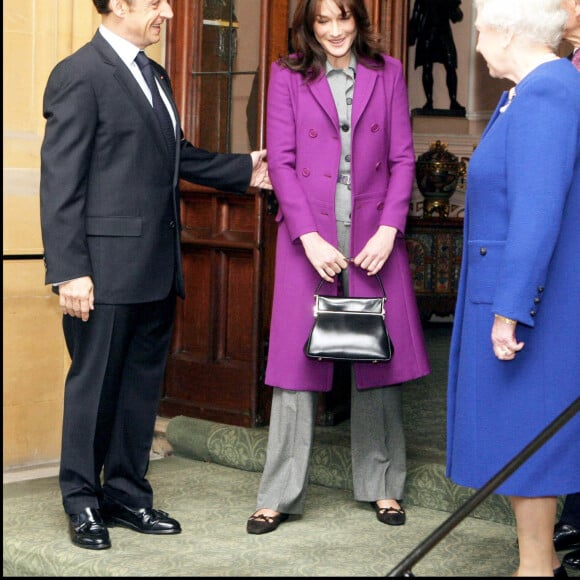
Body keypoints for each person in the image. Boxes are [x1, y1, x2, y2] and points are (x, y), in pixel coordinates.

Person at [40, 0, 271, 551]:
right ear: (118, 5)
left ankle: (125, 495)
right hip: (100, 272)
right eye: (154, 2)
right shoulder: (79, 73)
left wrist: (244, 170)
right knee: (93, 392)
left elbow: (175, 156)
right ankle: (82, 503)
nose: (167, 10)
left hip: (155, 267)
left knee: (141, 391)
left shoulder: (155, 74)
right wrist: (70, 270)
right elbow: (60, 181)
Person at [245, 0, 430, 535]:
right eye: (322, 21)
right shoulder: (286, 75)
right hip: (310, 237)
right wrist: (307, 236)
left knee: (376, 359)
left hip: (375, 235)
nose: (334, 31)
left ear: (358, 20)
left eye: (342, 18)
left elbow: (401, 159)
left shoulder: (388, 72)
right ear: (307, 26)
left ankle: (384, 486)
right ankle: (277, 495)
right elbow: (280, 160)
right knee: (294, 368)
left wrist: (390, 230)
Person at [445, 0, 580, 575]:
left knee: (531, 439)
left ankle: (533, 569)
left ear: (507, 33)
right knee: (521, 436)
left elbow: (537, 215)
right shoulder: (524, 92)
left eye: (479, 32)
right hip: (516, 293)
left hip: (531, 305)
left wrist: (509, 311)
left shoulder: (549, 92)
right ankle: (540, 562)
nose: (476, 45)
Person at [408, 0, 465, 112]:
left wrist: (453, 6)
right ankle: (429, 101)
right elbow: (416, 15)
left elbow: (457, 17)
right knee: (427, 66)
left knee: (450, 65)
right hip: (427, 33)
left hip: (443, 33)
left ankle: (453, 101)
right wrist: (412, 35)